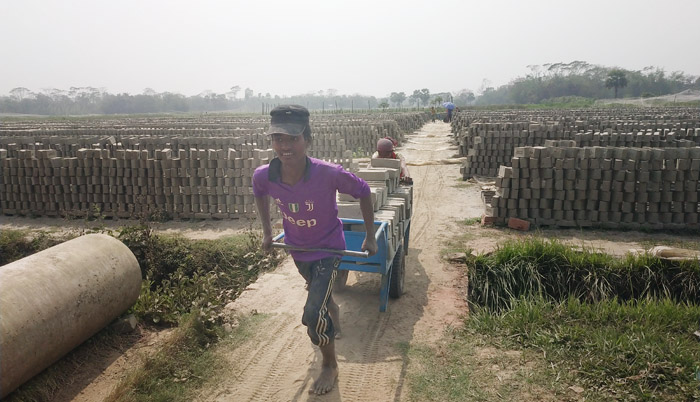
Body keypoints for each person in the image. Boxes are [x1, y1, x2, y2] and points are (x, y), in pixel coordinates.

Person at [253, 105, 378, 395]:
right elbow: (259, 195)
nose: (285, 147)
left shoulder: (329, 173)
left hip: (328, 248)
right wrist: (268, 233)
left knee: (312, 311)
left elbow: (364, 192)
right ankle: (329, 307)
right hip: (298, 249)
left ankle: (330, 365)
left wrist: (370, 236)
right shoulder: (264, 176)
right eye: (278, 139)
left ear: (307, 140)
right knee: (318, 294)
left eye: (292, 139)